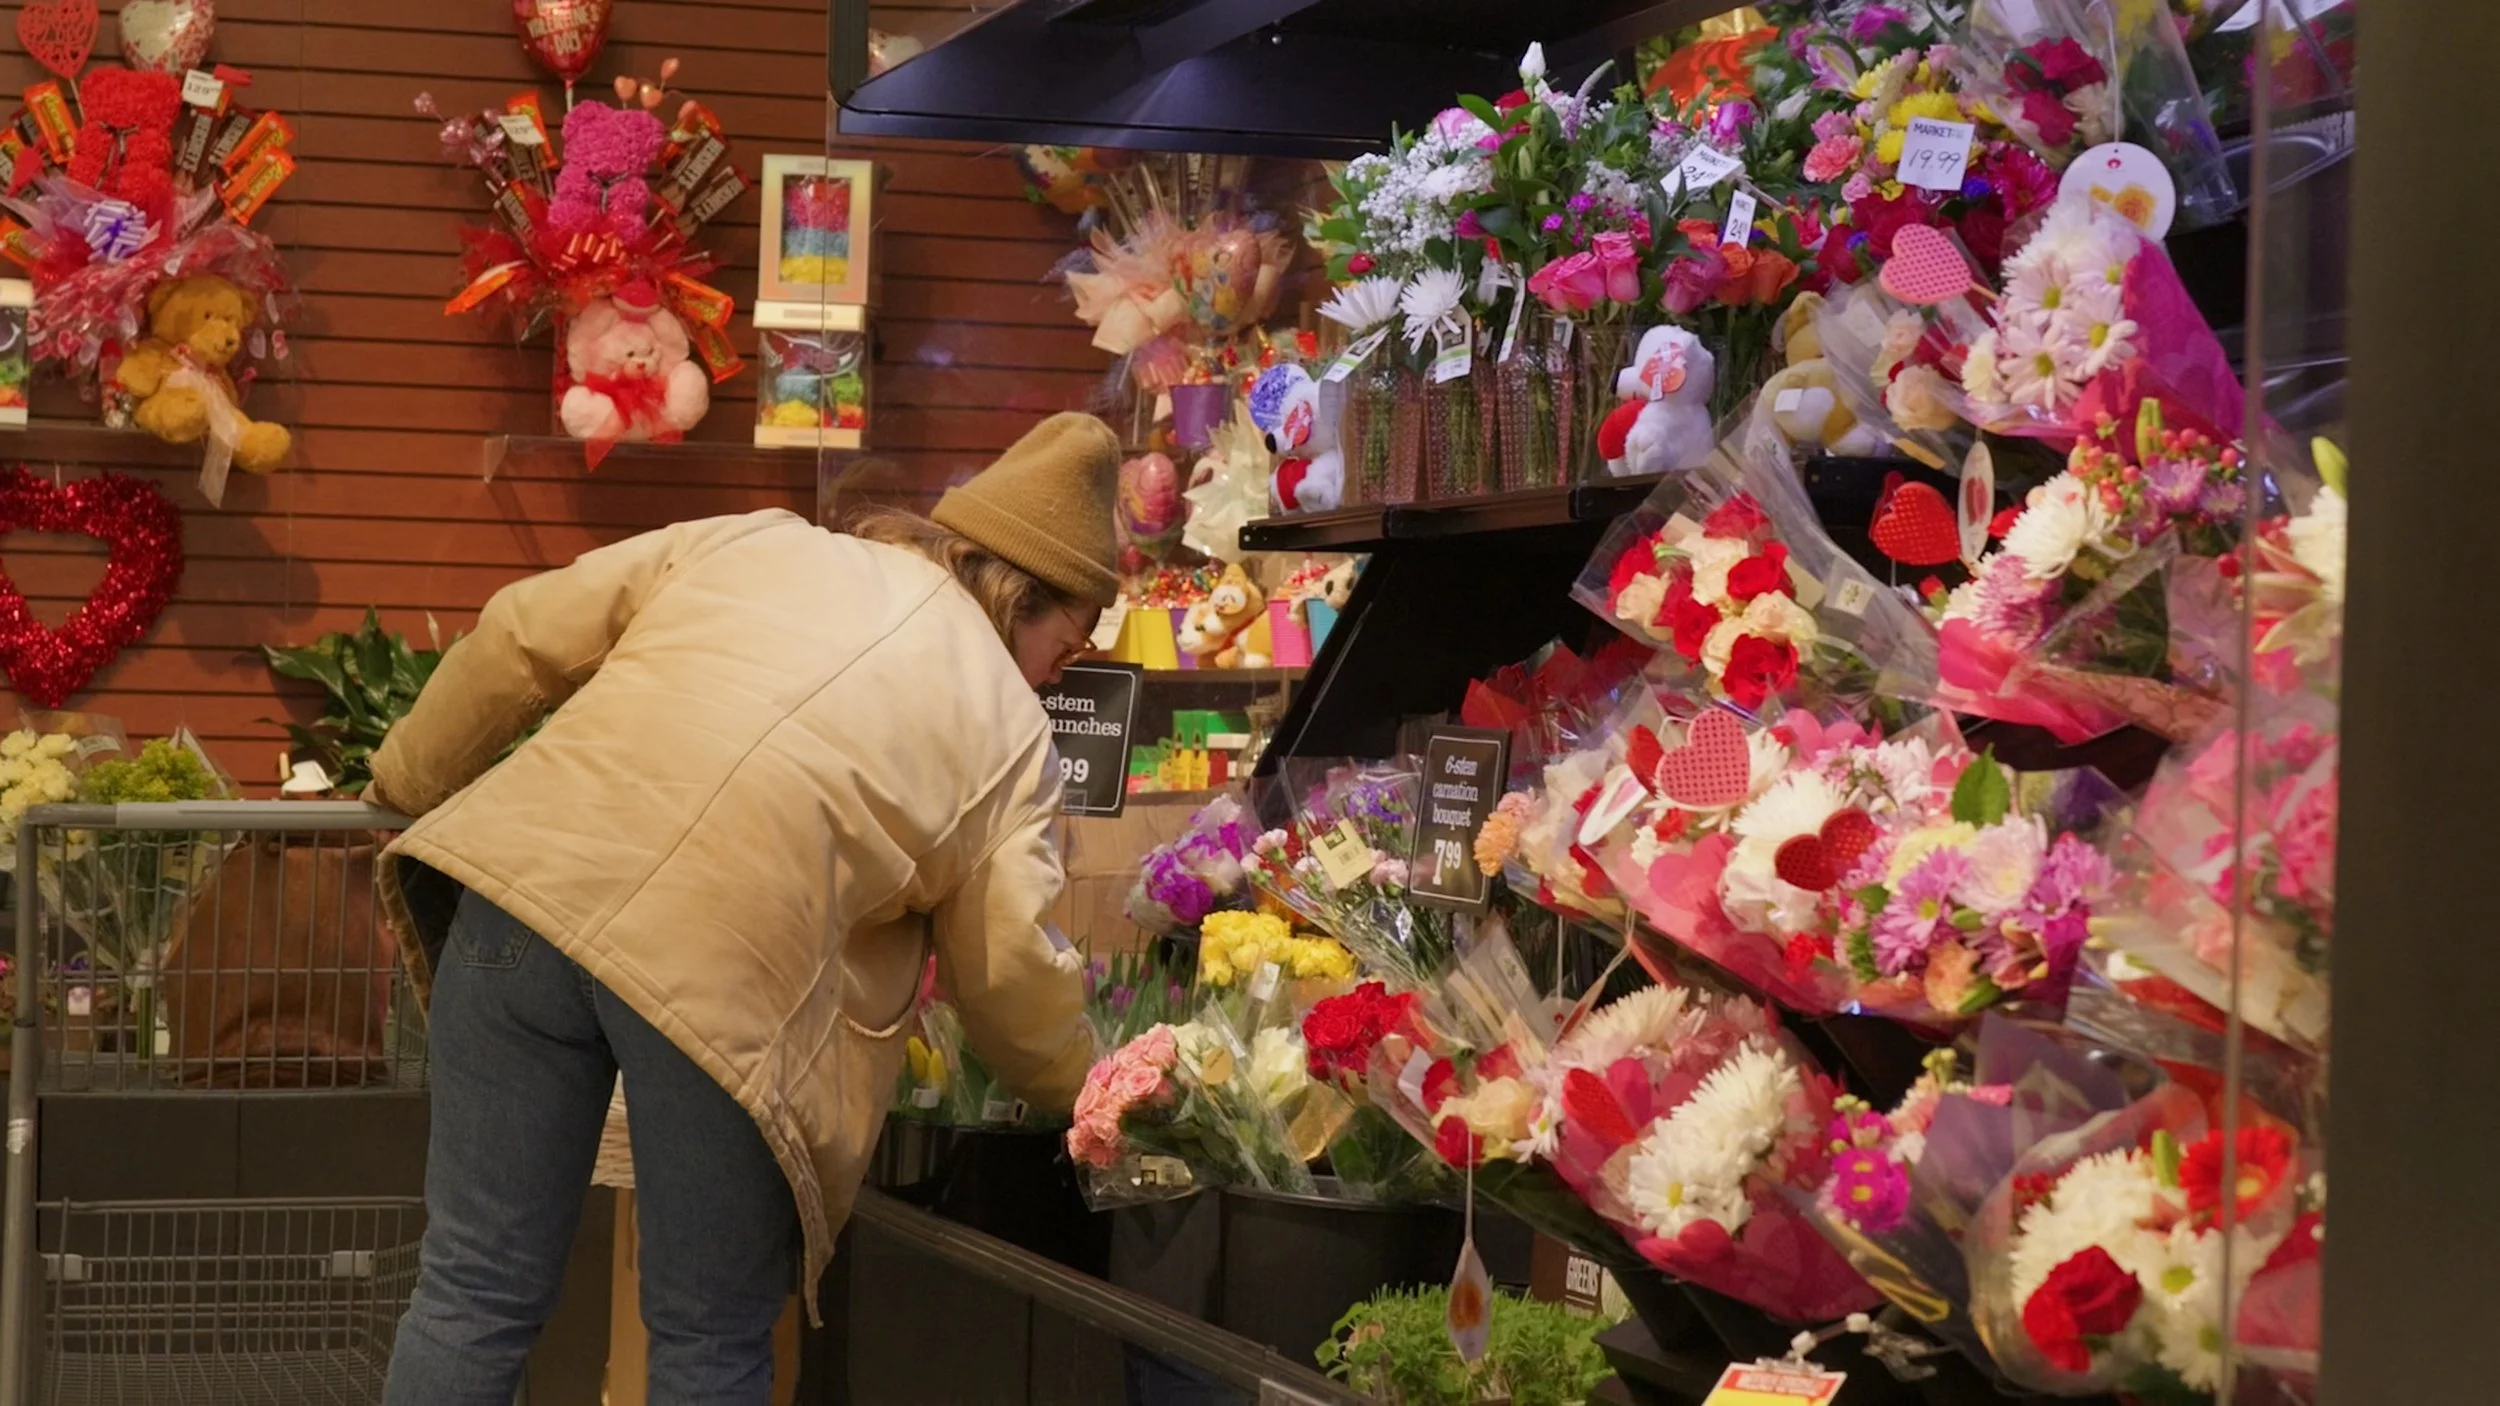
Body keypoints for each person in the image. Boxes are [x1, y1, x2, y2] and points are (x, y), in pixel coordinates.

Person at [369, 413, 1119, 1405]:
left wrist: (405, 780)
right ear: (1024, 596)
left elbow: (520, 632)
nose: (1064, 670)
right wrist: (1088, 1087)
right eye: (1070, 642)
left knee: (472, 1289)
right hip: (720, 990)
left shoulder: (760, 541)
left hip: (519, 896)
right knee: (708, 1338)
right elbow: (1009, 971)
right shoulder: (1012, 733)